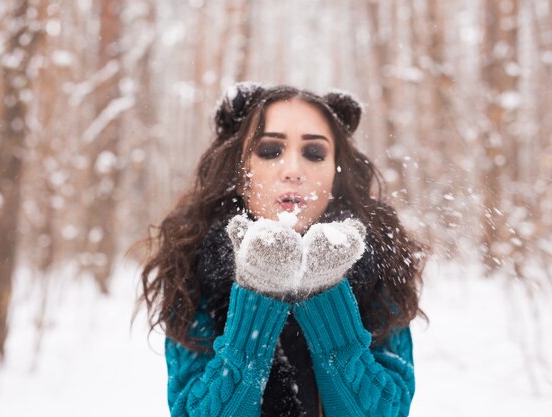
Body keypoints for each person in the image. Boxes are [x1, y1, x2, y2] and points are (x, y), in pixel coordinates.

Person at [135, 83, 427, 416]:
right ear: (240, 171)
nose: (293, 171)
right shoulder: (196, 265)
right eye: (270, 150)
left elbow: (388, 410)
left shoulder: (376, 263)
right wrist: (258, 294)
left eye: (314, 153)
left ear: (337, 173)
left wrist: (328, 292)